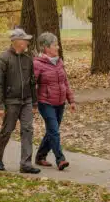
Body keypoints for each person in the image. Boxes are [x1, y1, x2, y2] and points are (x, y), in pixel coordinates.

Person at [0, 28, 39, 173]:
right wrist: (0, 105)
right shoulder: (3, 59)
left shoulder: (28, 59)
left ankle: (26, 164)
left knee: (28, 130)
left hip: (26, 101)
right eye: (25, 40)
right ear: (18, 42)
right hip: (11, 101)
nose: (28, 42)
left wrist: (34, 102)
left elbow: (32, 82)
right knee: (7, 130)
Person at [33, 31, 75, 170]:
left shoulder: (59, 61)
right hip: (45, 102)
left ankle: (40, 156)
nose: (58, 47)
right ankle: (60, 159)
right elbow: (31, 84)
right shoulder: (37, 64)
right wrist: (33, 103)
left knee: (52, 131)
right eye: (55, 45)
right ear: (46, 48)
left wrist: (71, 100)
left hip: (60, 102)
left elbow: (65, 82)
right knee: (54, 131)